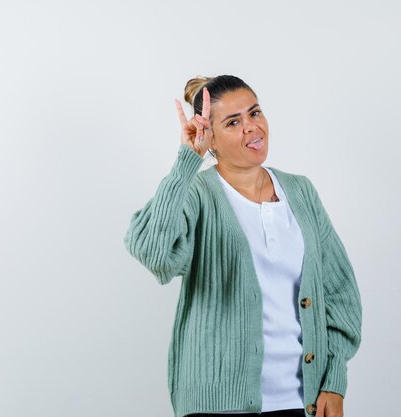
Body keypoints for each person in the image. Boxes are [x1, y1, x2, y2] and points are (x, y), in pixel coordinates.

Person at [123, 75, 362, 417]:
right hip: (220, 403)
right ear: (212, 140)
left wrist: (334, 380)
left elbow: (340, 292)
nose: (252, 128)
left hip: (302, 400)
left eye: (255, 113)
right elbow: (153, 252)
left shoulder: (301, 191)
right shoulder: (197, 193)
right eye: (233, 122)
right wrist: (186, 160)